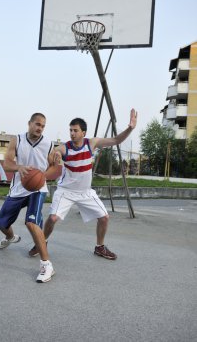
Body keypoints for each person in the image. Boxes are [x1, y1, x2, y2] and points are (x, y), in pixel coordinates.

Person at [29, 108, 137, 260]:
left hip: (85, 192)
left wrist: (130, 128)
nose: (72, 133)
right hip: (66, 191)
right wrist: (56, 155)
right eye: (70, 130)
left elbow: (116, 140)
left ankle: (100, 247)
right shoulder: (65, 147)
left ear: (83, 133)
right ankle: (42, 242)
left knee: (104, 218)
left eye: (75, 130)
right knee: (53, 218)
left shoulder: (91, 143)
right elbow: (57, 152)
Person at [0, 112, 57, 283]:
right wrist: (19, 167)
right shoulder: (17, 139)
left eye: (43, 126)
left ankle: (46, 265)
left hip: (37, 188)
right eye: (37, 124)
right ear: (29, 123)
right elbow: (7, 164)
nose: (40, 128)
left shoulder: (48, 144)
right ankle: (10, 237)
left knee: (31, 222)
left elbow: (54, 168)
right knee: (0, 223)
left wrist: (42, 176)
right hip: (18, 189)